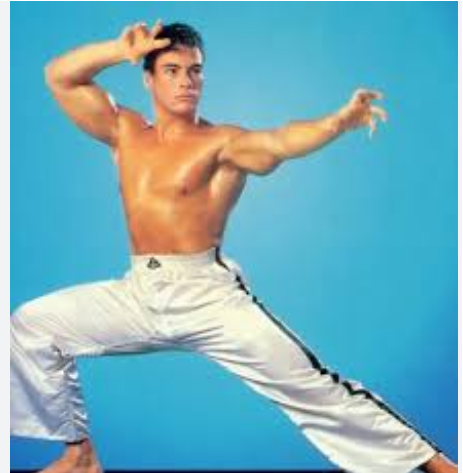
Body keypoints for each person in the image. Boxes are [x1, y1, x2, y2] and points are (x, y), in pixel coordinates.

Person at [10, 20, 457, 473]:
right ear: (148, 78)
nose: (187, 81)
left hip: (208, 297)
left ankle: (438, 465)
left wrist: (338, 122)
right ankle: (80, 457)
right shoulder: (124, 131)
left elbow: (280, 141)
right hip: (140, 293)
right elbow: (60, 76)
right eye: (172, 70)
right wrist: (117, 49)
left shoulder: (223, 143)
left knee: (314, 387)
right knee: (33, 325)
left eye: (195, 71)